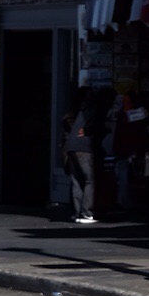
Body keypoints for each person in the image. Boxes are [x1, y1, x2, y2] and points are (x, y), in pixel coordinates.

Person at [62, 95, 95, 223]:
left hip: (70, 147)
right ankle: (86, 213)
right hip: (83, 148)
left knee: (77, 180)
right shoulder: (92, 111)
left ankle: (78, 213)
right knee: (89, 180)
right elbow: (93, 127)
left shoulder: (78, 113)